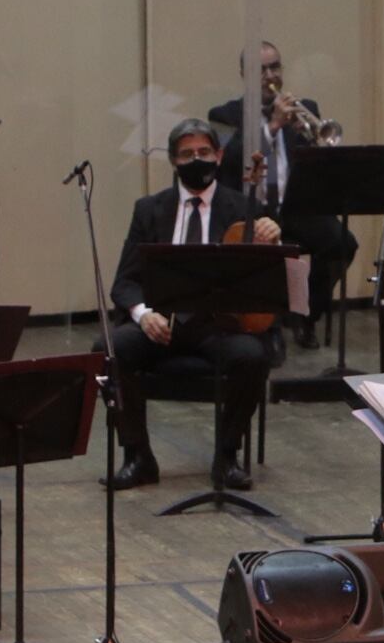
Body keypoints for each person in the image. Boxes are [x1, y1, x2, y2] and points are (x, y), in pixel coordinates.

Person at [106, 119, 282, 492]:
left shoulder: (241, 206)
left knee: (251, 356)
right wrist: (143, 315)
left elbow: (271, 274)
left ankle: (227, 456)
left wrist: (273, 233)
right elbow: (124, 281)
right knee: (110, 350)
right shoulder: (149, 209)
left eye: (204, 152)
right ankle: (139, 457)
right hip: (162, 322)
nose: (196, 159)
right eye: (187, 154)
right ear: (173, 161)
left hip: (216, 325)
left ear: (218, 156)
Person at [210, 40, 357, 348]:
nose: (269, 75)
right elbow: (228, 161)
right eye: (259, 69)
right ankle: (268, 326)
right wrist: (272, 127)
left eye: (274, 67)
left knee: (341, 243)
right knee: (260, 250)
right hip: (252, 208)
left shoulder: (307, 110)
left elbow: (323, 166)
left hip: (295, 208)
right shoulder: (223, 115)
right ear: (243, 74)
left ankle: (306, 314)